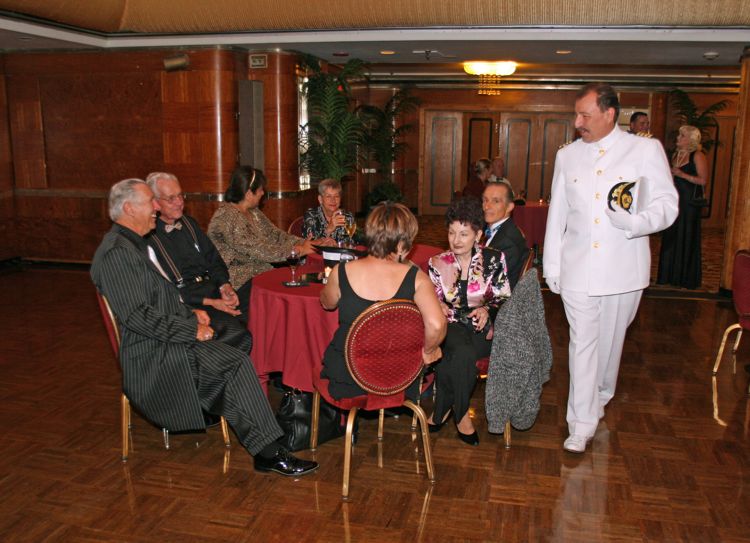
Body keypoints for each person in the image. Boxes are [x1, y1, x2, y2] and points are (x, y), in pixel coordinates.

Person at [91, 178, 318, 476]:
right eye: (152, 203)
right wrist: (191, 329)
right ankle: (269, 451)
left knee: (235, 349)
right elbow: (138, 318)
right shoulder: (118, 253)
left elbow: (157, 299)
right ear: (130, 208)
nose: (157, 209)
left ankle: (260, 437)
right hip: (154, 355)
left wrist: (191, 312)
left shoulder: (130, 244)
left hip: (167, 340)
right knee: (234, 363)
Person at [543, 83, 678, 453]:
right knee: (582, 343)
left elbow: (668, 204)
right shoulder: (568, 156)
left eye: (585, 115)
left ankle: (600, 395)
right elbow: (558, 213)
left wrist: (636, 224)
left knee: (610, 346)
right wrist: (552, 265)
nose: (577, 122)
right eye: (577, 114)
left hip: (623, 269)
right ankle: (580, 422)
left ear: (609, 113)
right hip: (577, 270)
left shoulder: (644, 149)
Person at [320, 202, 446, 400]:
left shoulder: (341, 271)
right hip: (400, 375)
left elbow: (327, 304)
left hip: (351, 374)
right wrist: (429, 351)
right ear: (403, 244)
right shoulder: (417, 278)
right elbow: (436, 324)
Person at [426, 197, 511, 445]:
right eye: (452, 233)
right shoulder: (438, 263)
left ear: (478, 235)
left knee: (456, 356)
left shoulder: (494, 259)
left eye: (464, 234)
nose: (456, 240)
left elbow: (504, 296)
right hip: (449, 326)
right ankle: (463, 417)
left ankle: (441, 410)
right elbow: (429, 297)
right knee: (461, 351)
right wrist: (436, 304)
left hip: (480, 328)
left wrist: (487, 309)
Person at [145, 172, 252, 330]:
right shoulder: (149, 237)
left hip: (213, 289)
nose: (179, 202)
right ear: (155, 202)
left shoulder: (189, 224)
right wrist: (212, 303)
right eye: (171, 198)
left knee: (259, 307)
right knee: (237, 328)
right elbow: (167, 291)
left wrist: (225, 286)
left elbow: (214, 260)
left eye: (180, 195)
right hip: (189, 304)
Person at [207, 166, 316, 300]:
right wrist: (297, 251)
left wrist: (305, 243)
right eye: (260, 190)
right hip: (236, 282)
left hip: (260, 272)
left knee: (302, 284)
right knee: (290, 294)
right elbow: (261, 250)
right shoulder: (227, 217)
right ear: (248, 194)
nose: (262, 193)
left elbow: (276, 235)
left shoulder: (253, 212)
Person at [657, 125, 708, 289]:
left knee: (687, 237)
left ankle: (685, 278)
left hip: (689, 205)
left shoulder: (697, 156)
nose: (678, 138)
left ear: (691, 140)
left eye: (682, 135)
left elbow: (703, 181)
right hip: (674, 202)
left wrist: (682, 174)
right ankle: (668, 276)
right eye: (679, 135)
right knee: (671, 237)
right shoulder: (675, 154)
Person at [483, 181, 530, 290]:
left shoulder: (507, 243)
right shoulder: (501, 229)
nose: (486, 206)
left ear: (509, 207)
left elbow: (490, 284)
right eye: (485, 200)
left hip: (498, 301)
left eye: (496, 201)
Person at [302, 178, 355, 245]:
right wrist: (328, 230)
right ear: (320, 199)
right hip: (317, 255)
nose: (333, 200)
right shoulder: (311, 216)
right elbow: (308, 246)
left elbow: (351, 243)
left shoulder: (347, 217)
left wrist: (337, 245)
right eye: (328, 196)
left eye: (336, 196)